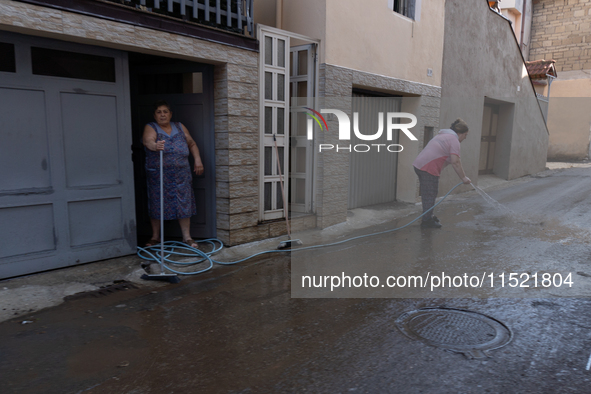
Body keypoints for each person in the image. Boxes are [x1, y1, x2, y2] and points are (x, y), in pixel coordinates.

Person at [143, 100, 204, 247]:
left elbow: (192, 143)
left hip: (181, 174)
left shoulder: (179, 126)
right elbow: (147, 141)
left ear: (170, 114)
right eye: (159, 112)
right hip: (159, 175)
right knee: (157, 203)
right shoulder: (151, 127)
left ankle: (187, 237)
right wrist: (155, 146)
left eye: (165, 111)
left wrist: (198, 160)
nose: (162, 115)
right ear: (155, 115)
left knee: (184, 202)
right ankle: (156, 237)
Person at [412, 118, 471, 228]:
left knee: (429, 193)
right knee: (430, 194)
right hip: (428, 168)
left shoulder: (443, 136)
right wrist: (464, 178)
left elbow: (449, 159)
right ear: (460, 133)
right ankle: (426, 221)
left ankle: (429, 215)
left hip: (419, 165)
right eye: (465, 135)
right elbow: (456, 162)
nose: (465, 138)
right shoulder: (453, 140)